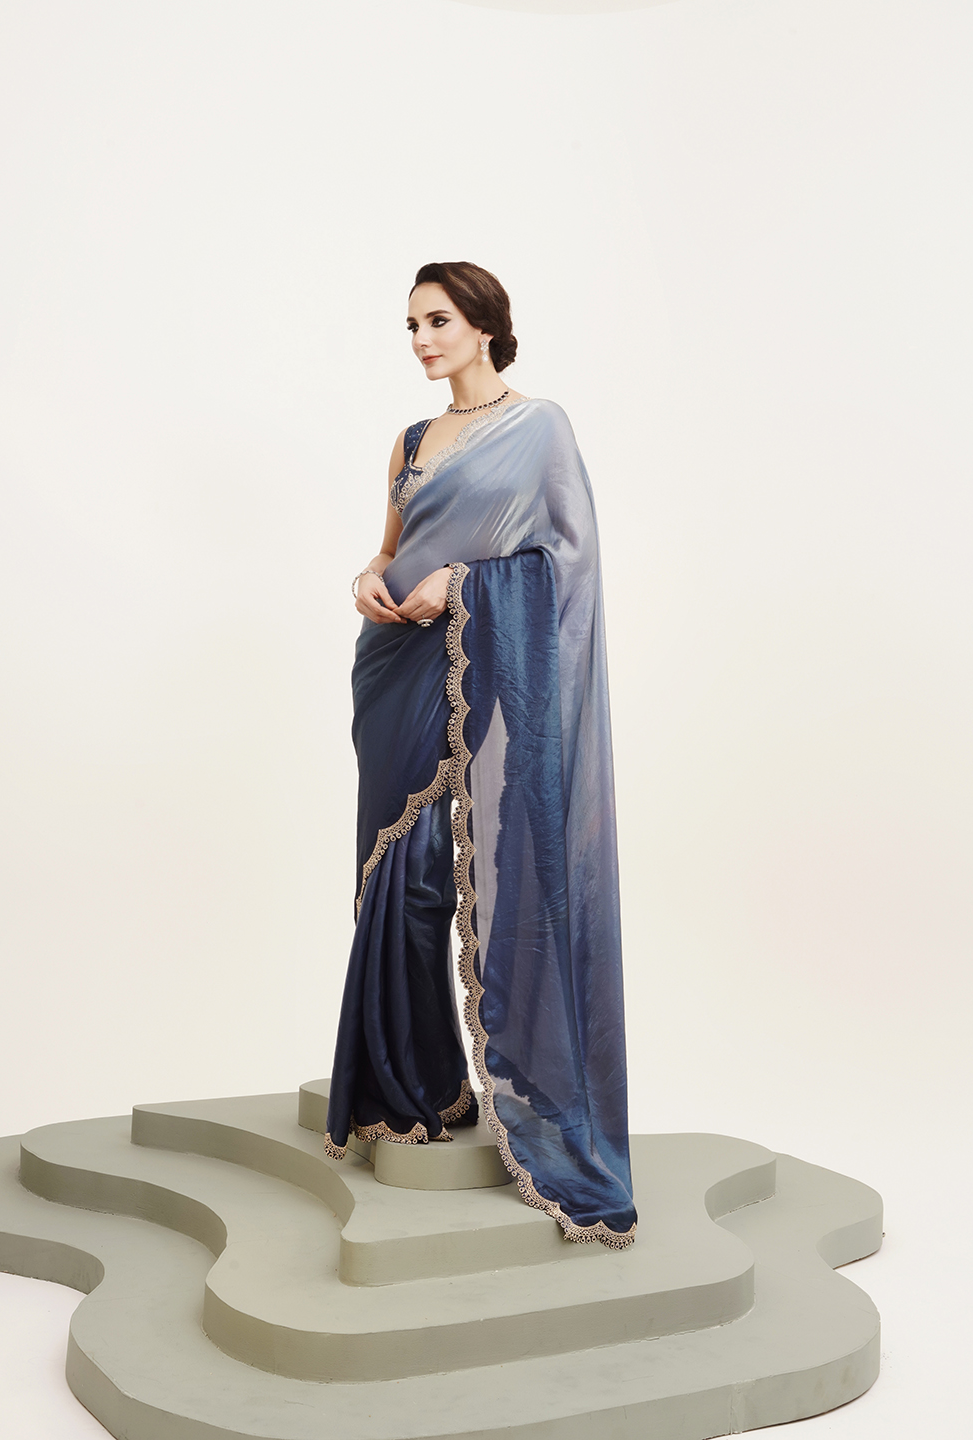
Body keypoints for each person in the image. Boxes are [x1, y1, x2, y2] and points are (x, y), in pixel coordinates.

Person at [324, 261, 637, 1248]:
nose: (422, 340)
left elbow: (566, 562)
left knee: (449, 862)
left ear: (486, 325)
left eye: (439, 321)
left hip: (478, 651)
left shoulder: (539, 428)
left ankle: (532, 1090)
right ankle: (413, 1085)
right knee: (396, 867)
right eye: (412, 325)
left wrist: (462, 584)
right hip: (393, 664)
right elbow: (389, 546)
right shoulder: (412, 441)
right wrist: (370, 575)